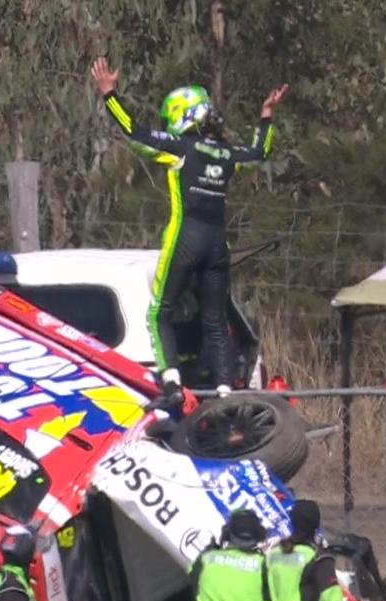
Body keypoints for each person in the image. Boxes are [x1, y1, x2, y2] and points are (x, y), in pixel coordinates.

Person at [90, 57, 288, 402]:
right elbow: (259, 153)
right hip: (217, 246)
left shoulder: (181, 148)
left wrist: (110, 95)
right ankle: (226, 392)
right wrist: (266, 117)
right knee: (214, 319)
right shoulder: (227, 154)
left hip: (185, 240)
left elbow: (135, 133)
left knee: (159, 313)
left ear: (182, 116)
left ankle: (171, 385)